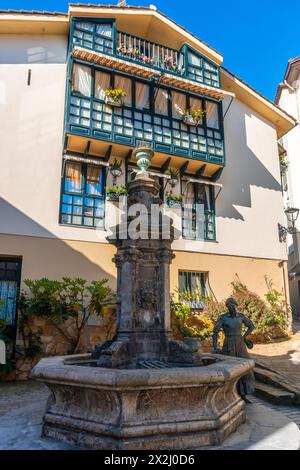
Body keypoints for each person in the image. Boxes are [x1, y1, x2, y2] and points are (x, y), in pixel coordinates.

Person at [213, 297, 255, 402]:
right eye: (230, 306)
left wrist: (245, 337)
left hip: (240, 343)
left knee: (245, 367)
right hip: (229, 343)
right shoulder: (223, 318)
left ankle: (244, 394)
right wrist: (214, 346)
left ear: (236, 306)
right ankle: (229, 394)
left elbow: (251, 326)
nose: (232, 308)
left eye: (234, 305)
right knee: (230, 369)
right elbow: (215, 332)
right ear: (227, 307)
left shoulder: (241, 316)